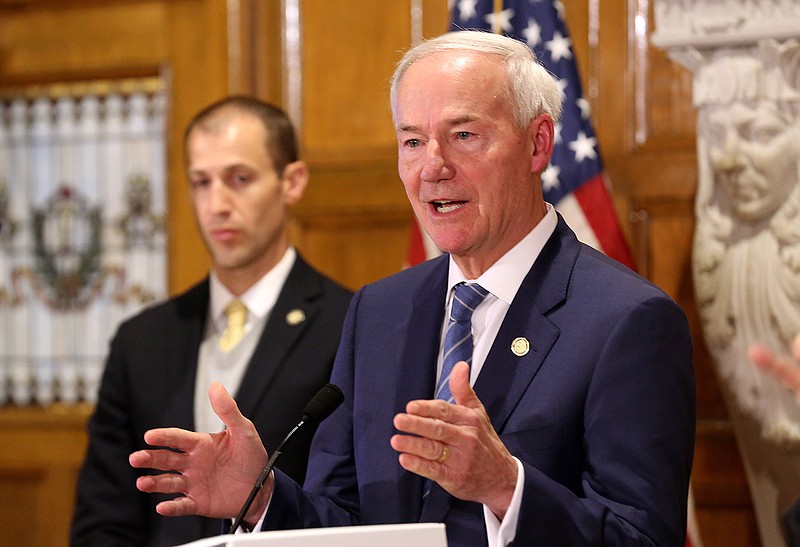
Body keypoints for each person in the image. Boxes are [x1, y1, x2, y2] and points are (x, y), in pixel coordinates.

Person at [129, 31, 695, 546]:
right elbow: (345, 522)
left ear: (537, 144)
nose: (433, 167)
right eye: (413, 142)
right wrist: (264, 497)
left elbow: (642, 539)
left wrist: (507, 488)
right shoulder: (378, 311)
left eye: (464, 135)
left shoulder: (629, 321)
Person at [70, 96, 352, 546]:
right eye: (201, 182)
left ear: (292, 182)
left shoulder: (350, 327)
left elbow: (354, 510)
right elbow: (104, 516)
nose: (216, 205)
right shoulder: (141, 340)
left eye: (239, 179)